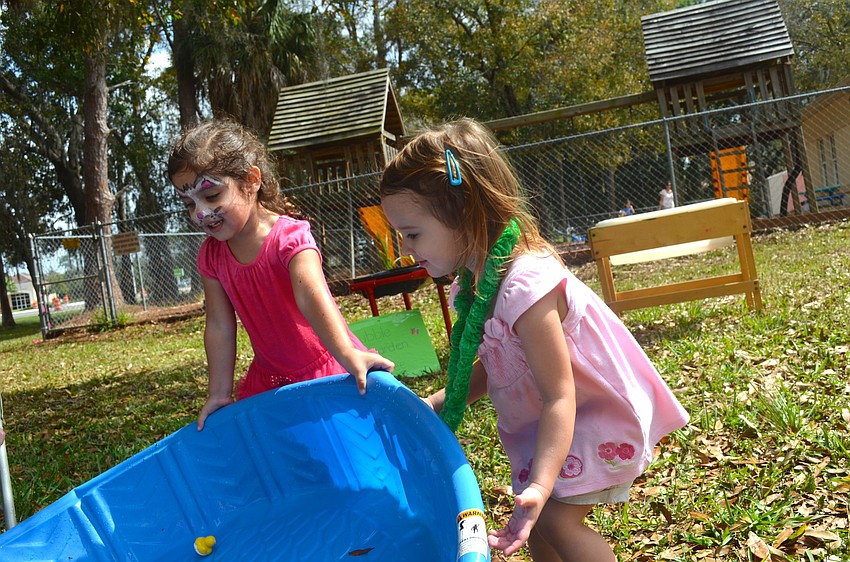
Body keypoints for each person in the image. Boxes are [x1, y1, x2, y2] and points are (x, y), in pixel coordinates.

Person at [380, 118, 689, 561]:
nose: (405, 249)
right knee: (538, 533)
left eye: (413, 233)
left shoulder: (525, 286)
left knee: (554, 520)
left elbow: (559, 395)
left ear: (464, 212)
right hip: (545, 428)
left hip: (588, 418)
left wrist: (542, 486)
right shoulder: (471, 284)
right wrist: (433, 404)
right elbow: (496, 364)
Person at [168, 119, 393, 430]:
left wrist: (346, 353)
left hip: (327, 366)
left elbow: (310, 294)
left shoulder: (290, 238)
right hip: (272, 377)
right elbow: (220, 324)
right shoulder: (212, 256)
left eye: (212, 195)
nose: (201, 213)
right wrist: (219, 392)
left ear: (251, 180)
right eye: (189, 204)